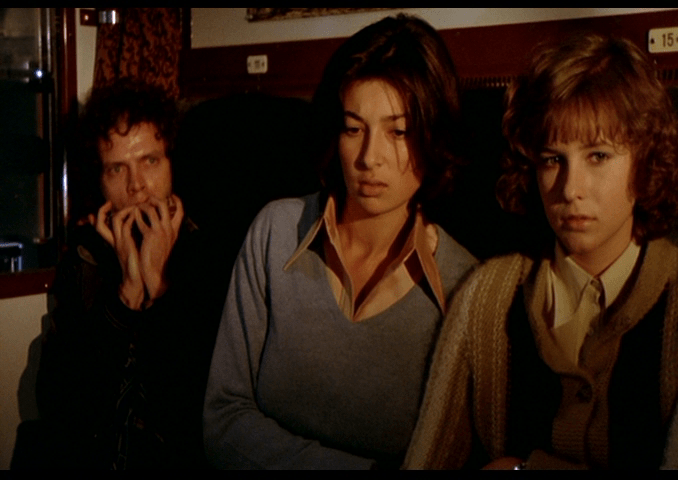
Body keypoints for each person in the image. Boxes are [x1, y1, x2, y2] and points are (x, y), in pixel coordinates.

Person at [403, 33, 678, 470]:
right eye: (552, 160)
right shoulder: (485, 297)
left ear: (645, 161)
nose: (570, 189)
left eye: (598, 156)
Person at [203, 14, 477, 470]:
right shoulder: (275, 232)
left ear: (433, 136)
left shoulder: (468, 289)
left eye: (399, 132)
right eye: (354, 128)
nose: (370, 158)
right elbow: (222, 419)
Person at [34, 79, 225, 469]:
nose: (136, 186)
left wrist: (160, 288)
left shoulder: (213, 256)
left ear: (172, 164)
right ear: (100, 180)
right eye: (117, 168)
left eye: (150, 161)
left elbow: (199, 408)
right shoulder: (85, 261)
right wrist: (127, 297)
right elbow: (60, 406)